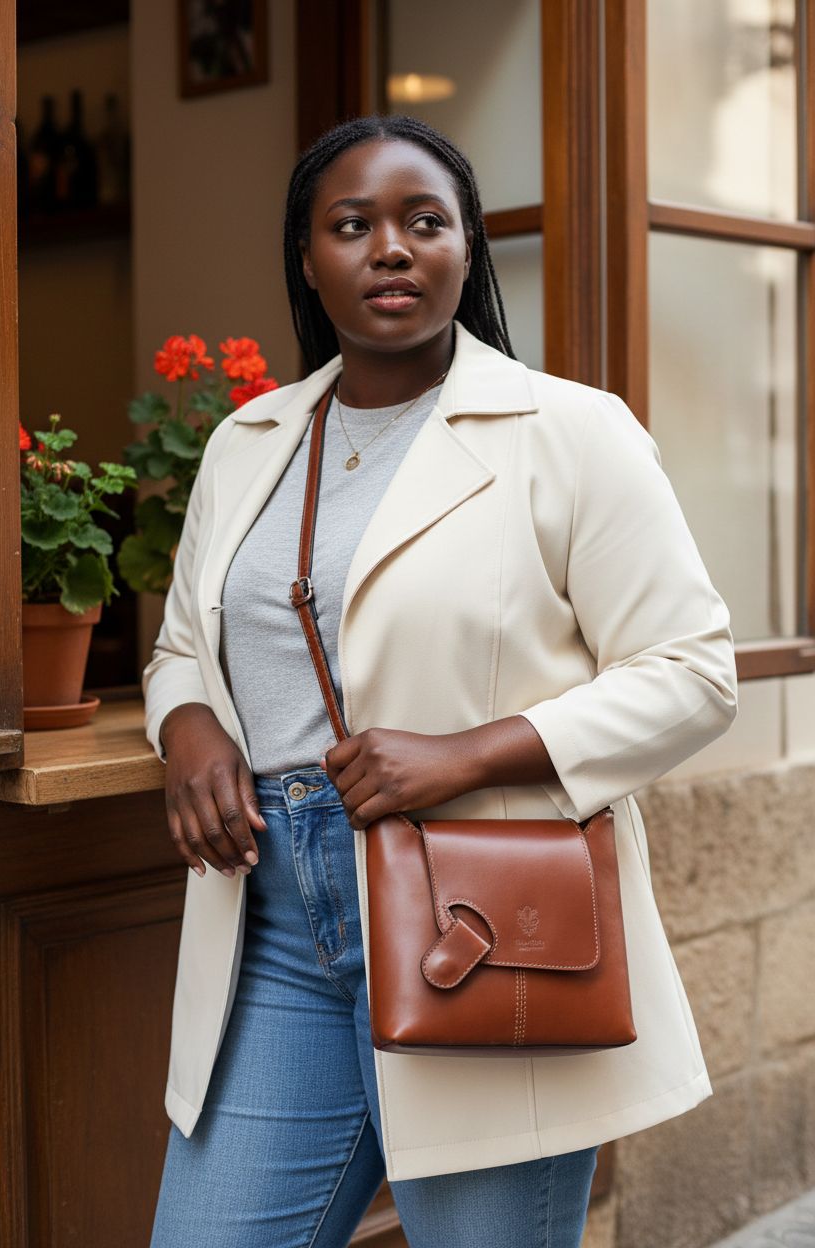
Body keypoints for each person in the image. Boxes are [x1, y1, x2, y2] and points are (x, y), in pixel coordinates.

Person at [143, 114, 738, 1248]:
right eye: (351, 225)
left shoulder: (570, 432)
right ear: (307, 258)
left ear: (466, 249)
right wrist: (188, 730)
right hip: (268, 919)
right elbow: (184, 643)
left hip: (477, 914)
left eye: (425, 223)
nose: (390, 249)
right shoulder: (249, 441)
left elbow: (692, 673)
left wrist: (468, 750)